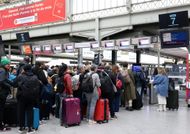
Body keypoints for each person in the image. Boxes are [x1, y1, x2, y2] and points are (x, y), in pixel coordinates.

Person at [15, 64, 40, 134]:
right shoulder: (35, 77)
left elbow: (14, 84)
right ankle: (30, 128)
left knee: (21, 112)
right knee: (30, 112)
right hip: (31, 97)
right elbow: (38, 88)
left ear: (24, 69)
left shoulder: (20, 76)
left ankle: (21, 127)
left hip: (21, 97)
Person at [0, 57, 12, 131]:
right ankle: (1, 126)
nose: (9, 65)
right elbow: (1, 81)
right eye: (7, 64)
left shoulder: (3, 70)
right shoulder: (3, 71)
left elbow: (5, 80)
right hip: (1, 93)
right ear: (4, 64)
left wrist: (12, 83)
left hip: (2, 92)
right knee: (1, 109)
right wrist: (10, 85)